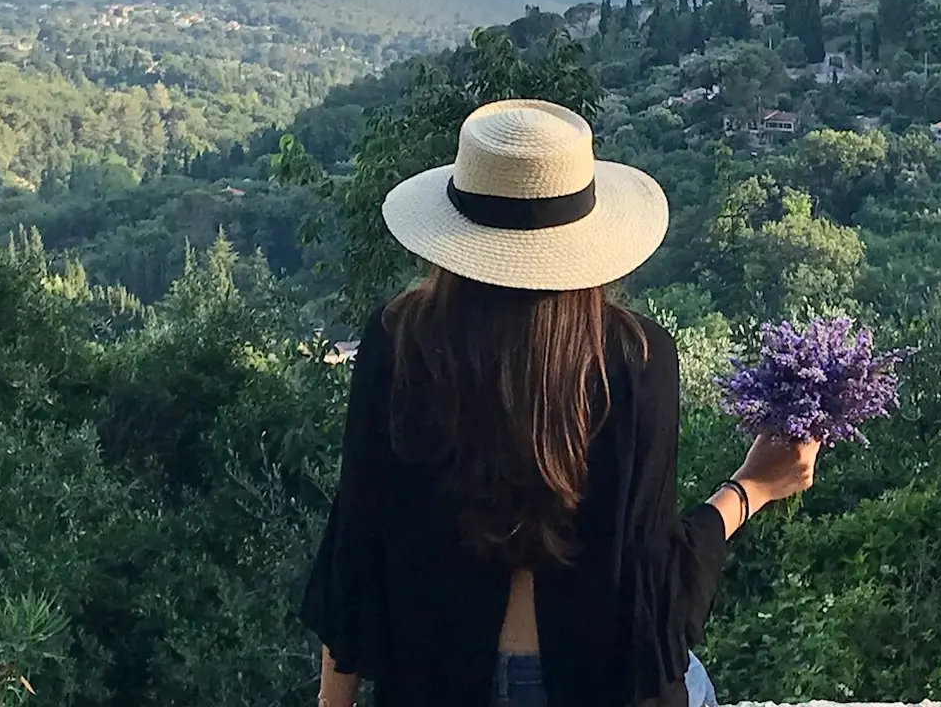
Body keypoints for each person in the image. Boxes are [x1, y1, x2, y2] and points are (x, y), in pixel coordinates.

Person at [301, 99, 819, 707]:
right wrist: (752, 488)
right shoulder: (636, 360)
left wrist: (333, 702)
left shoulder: (399, 343)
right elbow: (653, 591)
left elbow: (356, 543)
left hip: (433, 682)